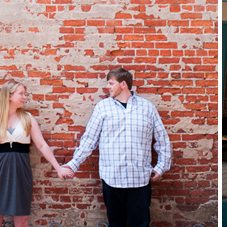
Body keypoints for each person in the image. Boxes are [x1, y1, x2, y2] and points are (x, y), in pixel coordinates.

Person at [62, 67, 171, 227]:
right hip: (112, 179)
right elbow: (89, 140)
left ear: (123, 84)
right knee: (115, 224)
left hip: (139, 179)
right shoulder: (103, 107)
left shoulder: (147, 108)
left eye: (111, 83)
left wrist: (161, 167)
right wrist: (73, 164)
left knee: (141, 224)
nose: (108, 87)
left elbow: (162, 140)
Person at [0, 80, 71, 227]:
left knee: (22, 221)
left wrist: (58, 168)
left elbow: (42, 145)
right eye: (21, 94)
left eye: (24, 94)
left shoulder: (27, 118)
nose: (24, 97)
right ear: (9, 96)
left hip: (20, 174)